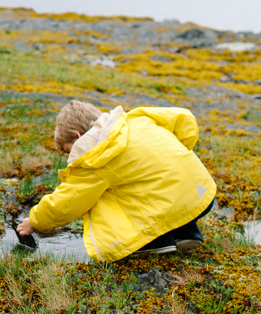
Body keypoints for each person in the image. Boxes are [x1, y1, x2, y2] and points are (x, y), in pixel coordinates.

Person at [17, 100, 216, 261]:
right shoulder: (137, 120)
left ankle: (157, 242)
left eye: (70, 150)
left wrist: (34, 221)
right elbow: (185, 121)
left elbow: (69, 201)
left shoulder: (97, 156)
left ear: (78, 137)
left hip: (174, 201)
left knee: (102, 195)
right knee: (148, 182)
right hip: (202, 193)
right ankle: (188, 233)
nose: (72, 157)